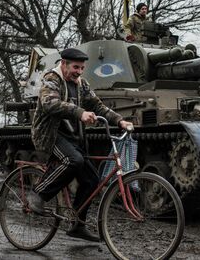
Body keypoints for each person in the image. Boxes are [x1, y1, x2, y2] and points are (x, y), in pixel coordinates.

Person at [28, 47, 132, 242]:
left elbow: (97, 105)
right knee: (73, 160)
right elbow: (50, 103)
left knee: (92, 180)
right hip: (51, 136)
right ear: (64, 64)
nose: (79, 71)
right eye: (75, 67)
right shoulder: (51, 79)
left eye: (82, 68)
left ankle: (77, 225)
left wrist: (119, 121)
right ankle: (38, 194)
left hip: (73, 138)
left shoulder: (81, 84)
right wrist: (80, 113)